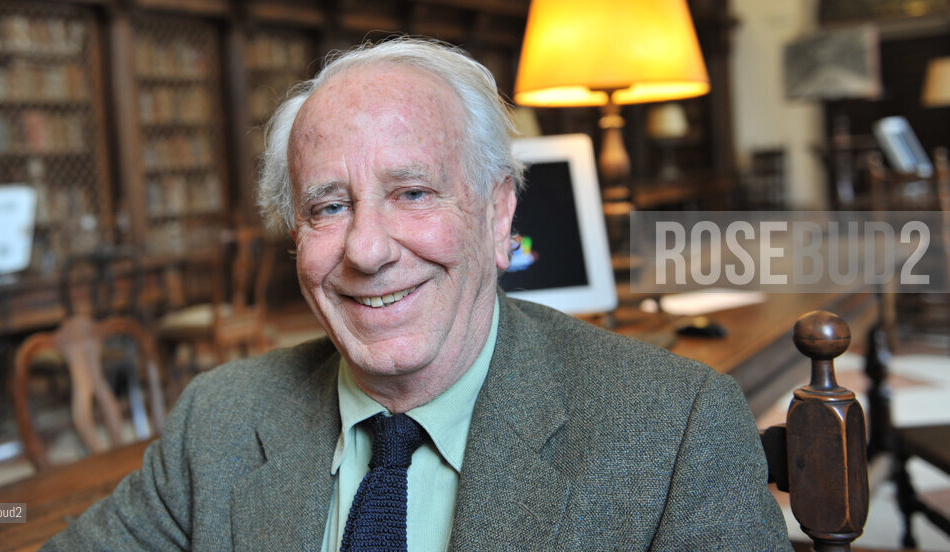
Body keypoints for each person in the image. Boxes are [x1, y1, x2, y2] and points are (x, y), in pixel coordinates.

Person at [44, 38, 791, 551]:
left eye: (412, 193)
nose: (367, 251)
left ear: (498, 216)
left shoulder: (674, 431)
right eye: (328, 207)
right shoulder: (219, 422)